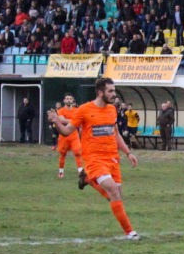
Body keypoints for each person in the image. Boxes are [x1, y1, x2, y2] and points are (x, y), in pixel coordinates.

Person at [47, 78, 140, 240]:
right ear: (100, 92)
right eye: (110, 91)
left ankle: (88, 180)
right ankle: (130, 233)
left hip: (112, 158)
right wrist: (56, 122)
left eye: (114, 90)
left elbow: (116, 133)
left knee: (116, 195)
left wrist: (128, 153)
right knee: (112, 190)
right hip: (94, 159)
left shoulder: (112, 110)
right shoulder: (84, 110)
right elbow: (67, 131)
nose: (113, 94)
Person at [56, 93, 84, 179]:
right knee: (63, 154)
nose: (68, 100)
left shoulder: (77, 110)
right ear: (64, 100)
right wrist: (74, 121)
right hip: (63, 135)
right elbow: (62, 120)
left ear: (73, 100)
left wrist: (74, 122)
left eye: (70, 99)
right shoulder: (60, 110)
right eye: (67, 98)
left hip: (74, 135)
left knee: (77, 152)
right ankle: (61, 172)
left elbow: (80, 122)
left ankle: (80, 171)